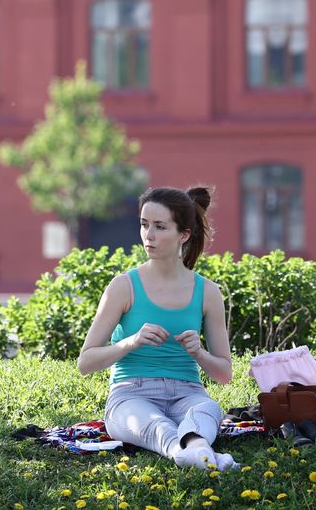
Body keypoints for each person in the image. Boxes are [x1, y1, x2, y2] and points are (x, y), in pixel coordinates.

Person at [76, 186, 239, 470]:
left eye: (160, 227)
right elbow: (85, 362)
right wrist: (132, 341)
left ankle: (197, 452)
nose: (148, 235)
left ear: (184, 235)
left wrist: (199, 353)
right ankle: (194, 454)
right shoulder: (123, 286)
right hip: (131, 395)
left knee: (208, 409)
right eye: (144, 224)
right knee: (155, 425)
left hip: (187, 394)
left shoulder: (208, 292)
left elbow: (224, 374)